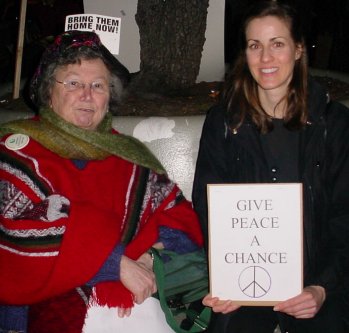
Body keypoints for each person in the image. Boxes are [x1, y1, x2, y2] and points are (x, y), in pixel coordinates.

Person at [0, 30, 204, 333]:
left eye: (98, 85)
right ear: (48, 93)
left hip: (136, 303)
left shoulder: (131, 156)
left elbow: (180, 219)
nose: (86, 94)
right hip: (38, 309)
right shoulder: (16, 152)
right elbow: (16, 235)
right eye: (73, 83)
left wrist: (150, 260)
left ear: (110, 96)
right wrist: (115, 263)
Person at [192, 1, 349, 333]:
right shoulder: (222, 123)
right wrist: (227, 278)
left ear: (298, 50)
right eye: (254, 46)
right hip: (246, 283)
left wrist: (322, 286)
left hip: (318, 281)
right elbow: (208, 207)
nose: (265, 58)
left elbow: (344, 215)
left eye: (277, 44)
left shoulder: (333, 124)